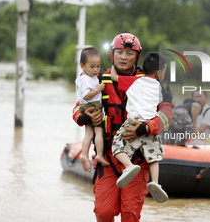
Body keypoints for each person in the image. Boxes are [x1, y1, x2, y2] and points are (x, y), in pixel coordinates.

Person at [72, 33, 173, 222]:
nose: (124, 57)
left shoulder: (150, 81)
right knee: (104, 212)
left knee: (130, 215)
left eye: (129, 53)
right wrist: (83, 116)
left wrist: (145, 128)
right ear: (112, 54)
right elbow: (78, 105)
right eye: (119, 52)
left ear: (137, 57)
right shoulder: (97, 78)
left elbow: (166, 114)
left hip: (138, 159)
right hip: (108, 159)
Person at [110, 52, 168, 203]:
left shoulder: (134, 81)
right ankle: (155, 182)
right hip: (150, 123)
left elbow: (114, 77)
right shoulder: (161, 89)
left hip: (133, 121)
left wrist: (112, 65)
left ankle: (128, 166)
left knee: (116, 145)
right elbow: (166, 108)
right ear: (159, 72)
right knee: (154, 157)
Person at [76, 47, 109, 172]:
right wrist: (98, 89)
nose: (96, 70)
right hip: (93, 106)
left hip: (85, 107)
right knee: (98, 132)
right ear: (82, 66)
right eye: (92, 66)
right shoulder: (87, 79)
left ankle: (84, 154)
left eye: (98, 66)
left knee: (89, 134)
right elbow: (85, 95)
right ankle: (99, 155)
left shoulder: (82, 77)